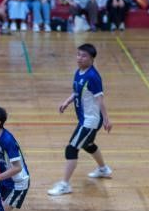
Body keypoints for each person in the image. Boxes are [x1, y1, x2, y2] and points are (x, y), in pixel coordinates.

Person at [48, 43, 112, 196]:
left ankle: (65, 185)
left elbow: (100, 99)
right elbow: (77, 91)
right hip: (85, 118)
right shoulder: (79, 72)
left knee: (71, 148)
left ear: (92, 59)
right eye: (78, 54)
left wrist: (106, 119)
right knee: (87, 144)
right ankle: (103, 169)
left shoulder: (93, 77)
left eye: (84, 56)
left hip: (91, 120)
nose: (79, 58)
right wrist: (67, 102)